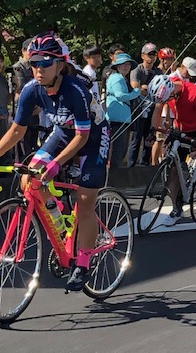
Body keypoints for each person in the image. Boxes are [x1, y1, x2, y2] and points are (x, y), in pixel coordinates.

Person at [0, 33, 110, 291]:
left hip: (92, 137)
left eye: (45, 63)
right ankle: (61, 228)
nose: (38, 69)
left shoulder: (75, 90)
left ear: (60, 65)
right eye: (34, 63)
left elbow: (82, 137)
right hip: (63, 133)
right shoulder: (31, 90)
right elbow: (17, 131)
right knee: (29, 178)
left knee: (84, 202)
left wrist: (57, 164)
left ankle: (83, 262)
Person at [148, 74, 196, 232]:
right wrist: (153, 130)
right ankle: (177, 208)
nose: (164, 102)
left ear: (171, 91)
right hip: (180, 130)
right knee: (173, 173)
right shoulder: (165, 90)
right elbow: (157, 112)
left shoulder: (194, 93)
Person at [105, 53, 140, 168]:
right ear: (117, 66)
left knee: (119, 150)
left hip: (121, 119)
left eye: (128, 64)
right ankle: (113, 178)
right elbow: (120, 96)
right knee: (118, 151)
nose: (126, 66)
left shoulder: (120, 78)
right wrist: (136, 92)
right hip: (118, 120)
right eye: (122, 64)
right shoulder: (117, 77)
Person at [129, 42, 161, 166]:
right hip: (139, 109)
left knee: (149, 139)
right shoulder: (136, 70)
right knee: (135, 140)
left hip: (153, 109)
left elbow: (160, 89)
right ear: (143, 55)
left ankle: (144, 165)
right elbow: (136, 88)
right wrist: (146, 89)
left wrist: (145, 88)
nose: (152, 57)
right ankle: (130, 167)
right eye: (149, 54)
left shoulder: (158, 71)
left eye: (154, 54)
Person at [12, 37, 39, 158]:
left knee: (32, 142)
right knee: (23, 145)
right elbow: (21, 89)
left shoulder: (34, 66)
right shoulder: (18, 67)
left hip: (35, 110)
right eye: (30, 50)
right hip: (22, 110)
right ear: (23, 51)